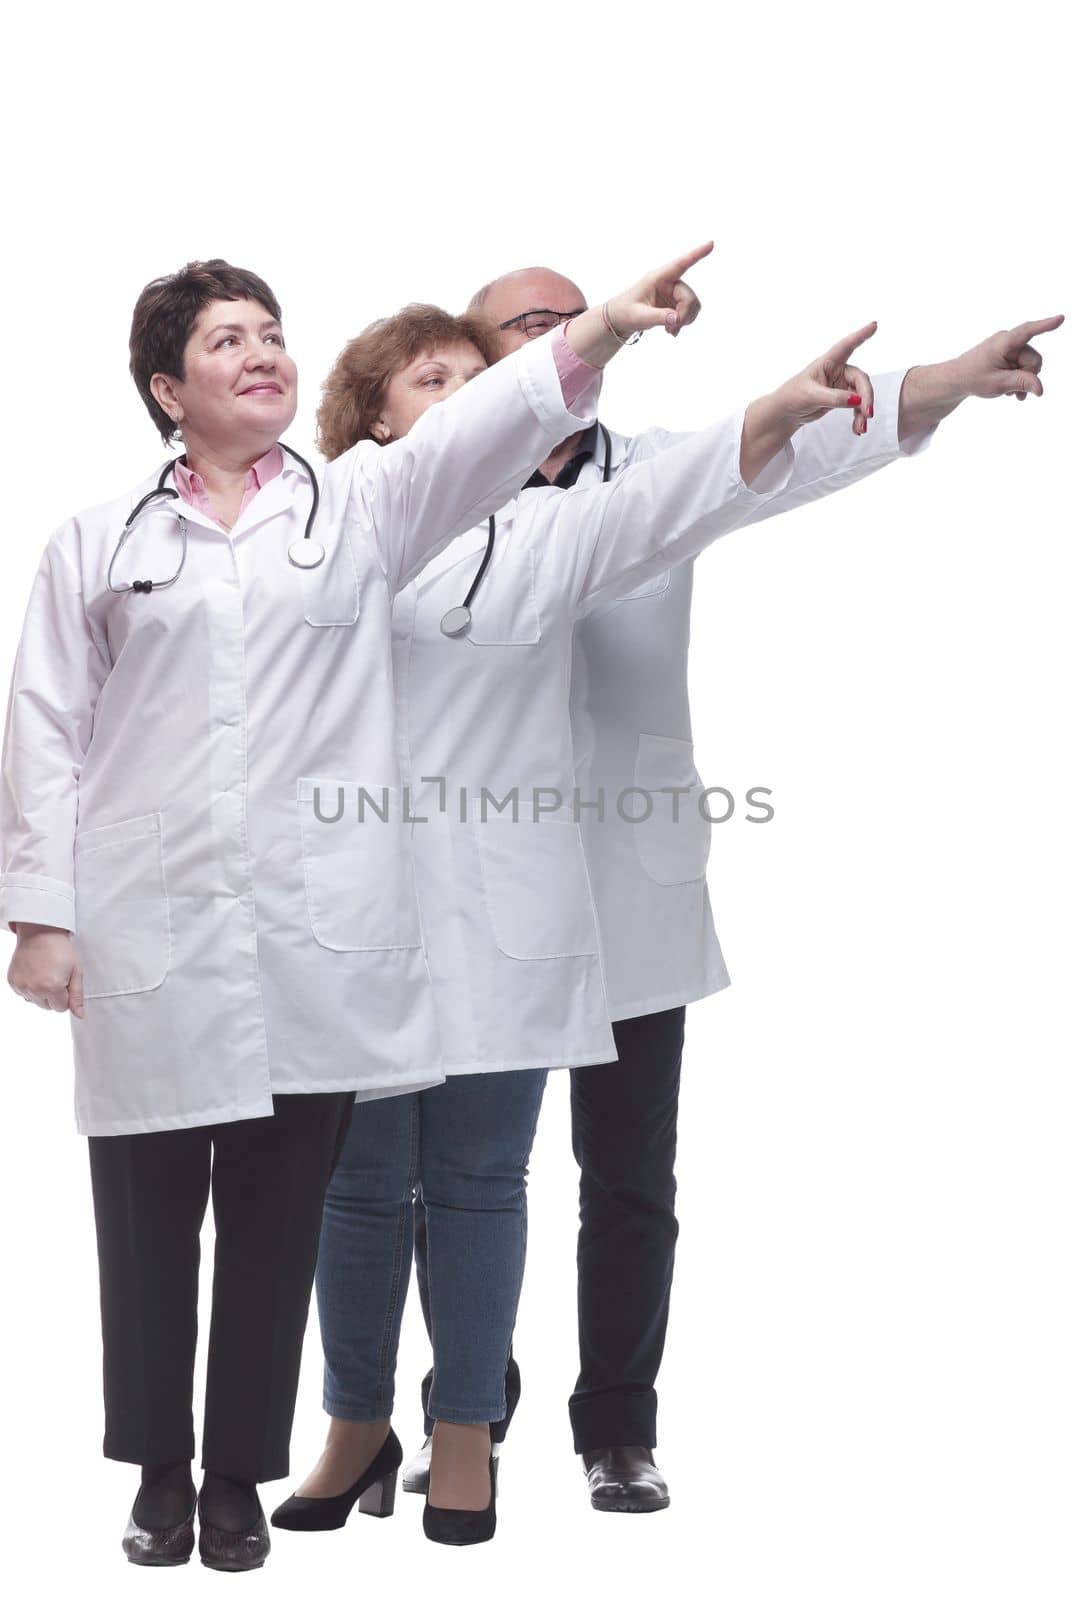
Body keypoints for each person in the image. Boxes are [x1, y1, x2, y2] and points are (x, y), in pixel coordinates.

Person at [0, 249, 700, 1569]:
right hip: (149, 925)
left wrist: (600, 330)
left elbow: (487, 427)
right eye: (224, 340)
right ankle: (157, 1470)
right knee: (148, 1212)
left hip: (321, 926)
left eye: (271, 331)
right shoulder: (98, 541)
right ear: (166, 387)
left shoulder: (355, 510)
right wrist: (41, 911)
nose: (260, 350)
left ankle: (236, 1483)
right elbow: (43, 722)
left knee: (279, 1216)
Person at [274, 297, 960, 1544]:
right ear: (376, 412)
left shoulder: (558, 525)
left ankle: (508, 1426)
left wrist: (869, 393)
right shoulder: (320, 527)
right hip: (358, 909)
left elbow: (708, 484)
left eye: (489, 372)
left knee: (509, 1180)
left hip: (544, 901)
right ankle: (360, 1422)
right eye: (439, 377)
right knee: (359, 1184)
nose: (485, 389)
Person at [398, 268, 1064, 1513]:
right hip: (475, 892)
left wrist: (946, 382)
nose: (555, 336)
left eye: (567, 316)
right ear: (484, 361)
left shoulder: (657, 469)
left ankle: (615, 1429)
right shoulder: (426, 496)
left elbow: (798, 444)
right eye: (525, 327)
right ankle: (464, 1415)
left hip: (628, 889)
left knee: (629, 1180)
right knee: (467, 1174)